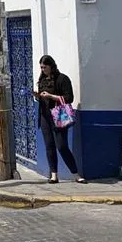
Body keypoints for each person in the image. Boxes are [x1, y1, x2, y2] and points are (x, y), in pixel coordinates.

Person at [35, 54, 86, 184]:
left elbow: (69, 98)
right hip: (45, 116)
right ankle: (54, 175)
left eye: (44, 67)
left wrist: (52, 96)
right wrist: (38, 96)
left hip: (59, 117)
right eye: (41, 67)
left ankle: (76, 174)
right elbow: (42, 97)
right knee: (49, 146)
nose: (42, 70)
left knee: (62, 146)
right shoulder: (42, 80)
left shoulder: (62, 79)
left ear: (51, 66)